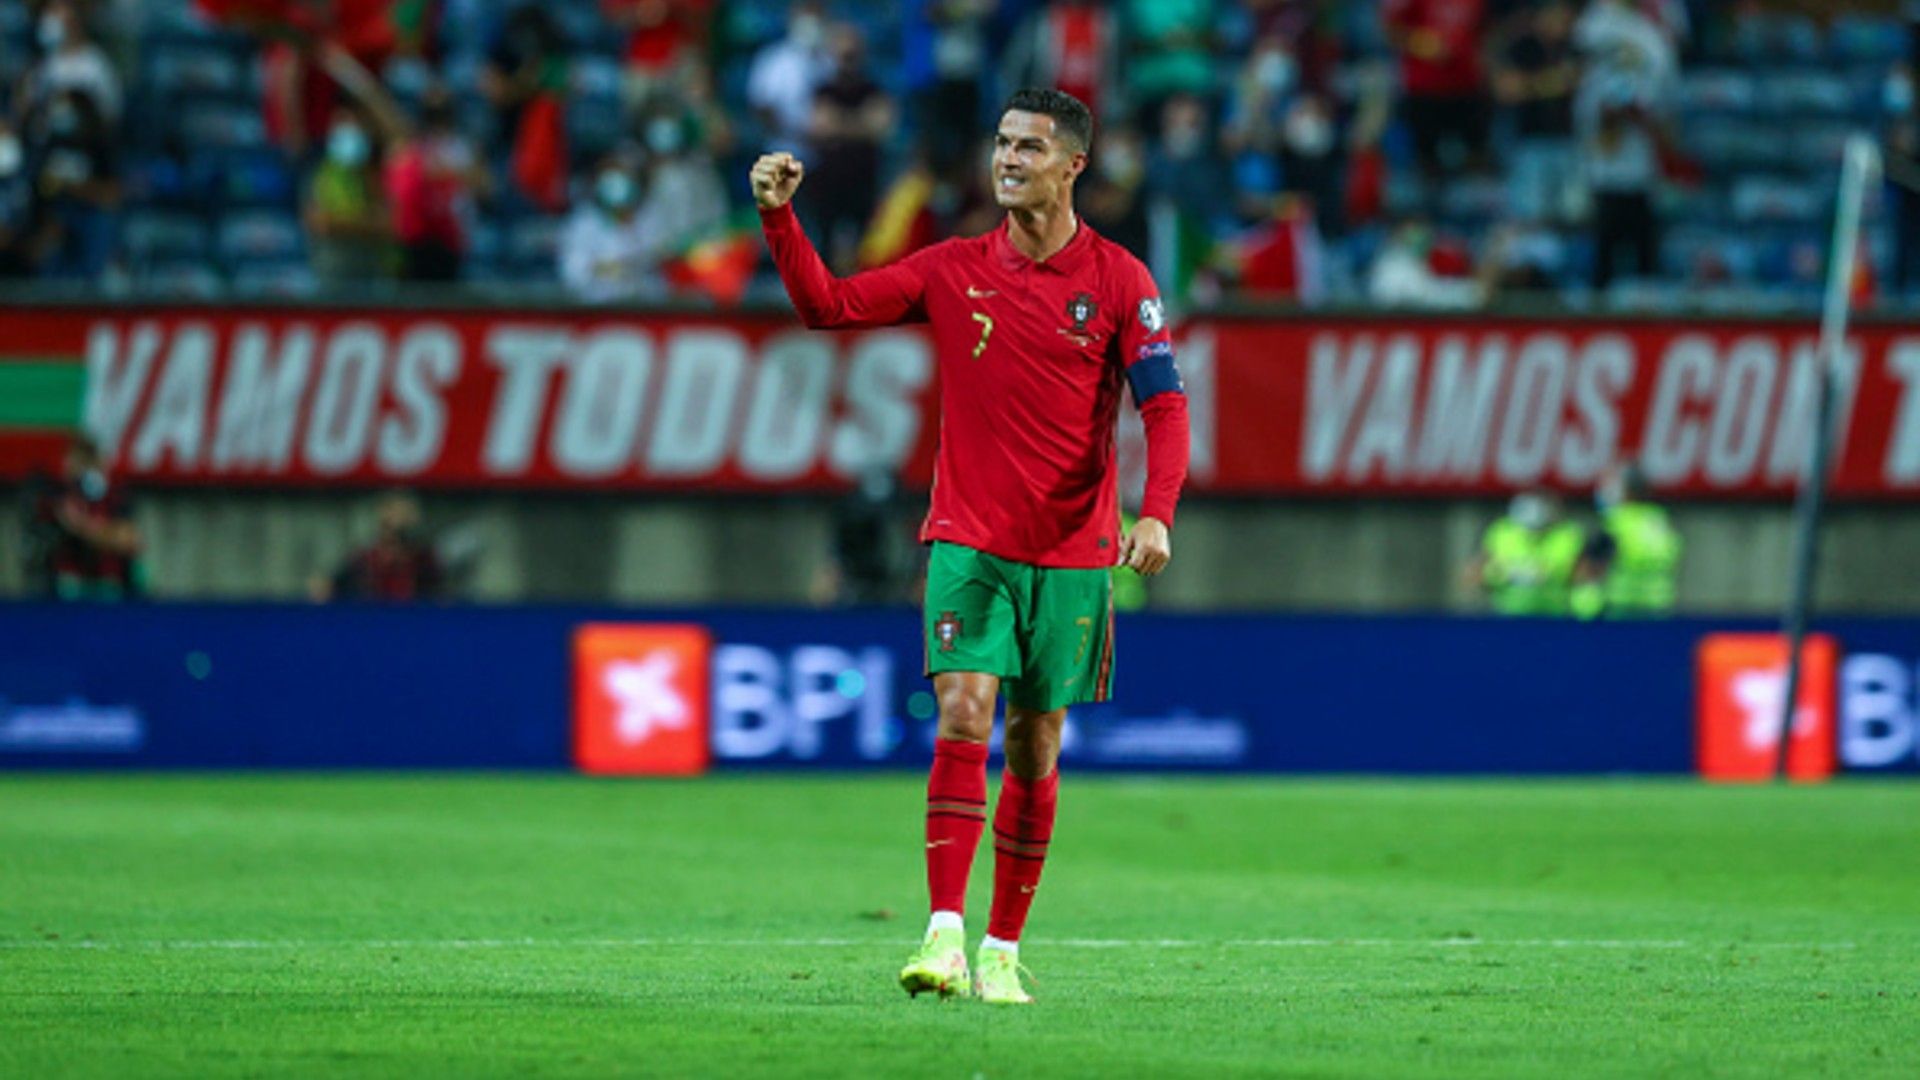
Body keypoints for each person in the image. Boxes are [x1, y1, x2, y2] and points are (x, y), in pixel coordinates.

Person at [752, 87, 1191, 1005]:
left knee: (1035, 743)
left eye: (1030, 147)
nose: (1008, 159)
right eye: (1002, 143)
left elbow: (1166, 407)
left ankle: (1002, 946)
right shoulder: (952, 269)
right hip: (968, 539)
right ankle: (943, 934)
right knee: (962, 709)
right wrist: (780, 219)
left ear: (1073, 165)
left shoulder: (1120, 281)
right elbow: (826, 307)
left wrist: (1156, 513)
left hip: (1072, 552)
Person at [29, 433, 142, 601]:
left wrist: (84, 527)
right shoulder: (56, 495)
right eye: (73, 462)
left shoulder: (115, 495)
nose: (76, 469)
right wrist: (105, 533)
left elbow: (131, 541)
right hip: (68, 588)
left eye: (84, 463)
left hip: (110, 587)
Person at [1572, 462, 1682, 619]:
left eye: (1611, 486)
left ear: (1629, 491)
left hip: (1622, 610)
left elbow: (1589, 570)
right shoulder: (1661, 522)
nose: (1605, 491)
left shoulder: (1616, 524)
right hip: (1660, 609)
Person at [304, 107, 394, 285]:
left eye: (356, 127)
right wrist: (365, 222)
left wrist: (341, 222)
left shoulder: (374, 173)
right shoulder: (319, 173)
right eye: (344, 125)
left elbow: (388, 224)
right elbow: (321, 223)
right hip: (332, 276)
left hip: (371, 275)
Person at [558, 151, 659, 301]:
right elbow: (574, 273)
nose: (617, 186)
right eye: (610, 179)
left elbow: (658, 266)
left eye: (624, 178)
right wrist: (611, 268)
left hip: (643, 308)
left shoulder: (650, 218)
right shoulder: (583, 223)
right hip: (597, 309)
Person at [312, 489, 444, 602]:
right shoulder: (364, 559)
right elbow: (328, 589)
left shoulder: (423, 559)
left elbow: (439, 597)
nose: (401, 519)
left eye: (406, 513)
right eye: (395, 512)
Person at [1466, 489, 1584, 616]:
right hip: (1508, 615)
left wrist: (1546, 574)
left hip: (1554, 615)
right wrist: (1500, 574)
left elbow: (1583, 575)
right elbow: (1472, 575)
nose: (1533, 535)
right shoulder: (1501, 532)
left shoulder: (1567, 535)